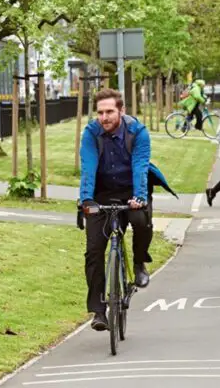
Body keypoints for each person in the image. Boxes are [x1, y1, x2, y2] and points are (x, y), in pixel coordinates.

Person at [79, 89, 176, 331]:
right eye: (100, 112)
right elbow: (88, 167)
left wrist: (140, 197)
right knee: (93, 251)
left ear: (121, 111)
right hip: (101, 193)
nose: (105, 117)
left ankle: (140, 261)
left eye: (110, 111)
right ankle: (98, 311)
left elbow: (140, 166)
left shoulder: (137, 132)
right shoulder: (91, 133)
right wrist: (86, 199)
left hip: (132, 190)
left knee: (140, 220)